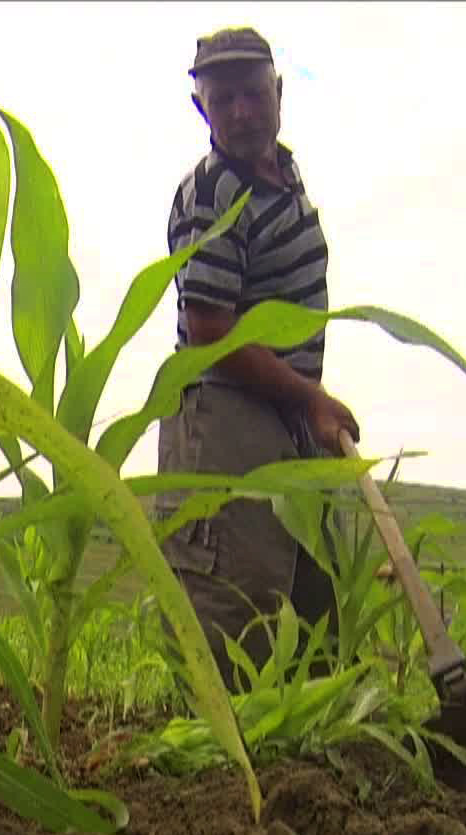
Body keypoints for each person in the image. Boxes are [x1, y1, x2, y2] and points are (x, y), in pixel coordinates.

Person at [154, 26, 359, 692]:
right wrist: (308, 397)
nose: (241, 111)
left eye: (251, 94)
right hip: (224, 419)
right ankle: (217, 778)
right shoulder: (214, 192)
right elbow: (211, 330)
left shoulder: (285, 174)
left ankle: (307, 773)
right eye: (223, 100)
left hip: (283, 418)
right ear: (201, 110)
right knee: (233, 612)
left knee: (313, 603)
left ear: (278, 92)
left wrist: (306, 405)